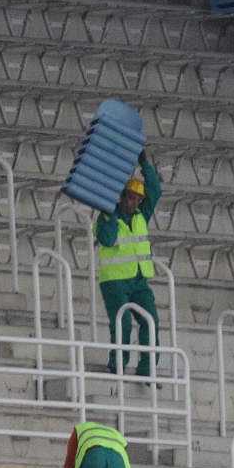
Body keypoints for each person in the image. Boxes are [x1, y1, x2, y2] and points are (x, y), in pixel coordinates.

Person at [95, 151, 161, 377]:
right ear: (122, 197)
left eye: (138, 199)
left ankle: (147, 368)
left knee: (150, 320)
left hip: (139, 279)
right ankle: (117, 365)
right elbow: (106, 238)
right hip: (114, 281)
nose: (135, 202)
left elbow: (156, 190)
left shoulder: (142, 215)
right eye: (131, 198)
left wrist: (144, 162)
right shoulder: (107, 216)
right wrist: (109, 215)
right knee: (121, 323)